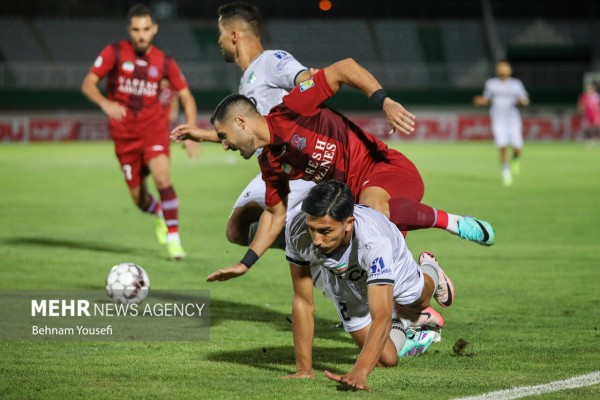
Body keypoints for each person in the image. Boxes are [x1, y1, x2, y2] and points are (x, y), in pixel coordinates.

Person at [197, 57, 495, 282]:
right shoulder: (271, 162)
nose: (224, 145)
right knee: (376, 268)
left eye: (223, 136)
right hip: (362, 201)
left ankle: (452, 222)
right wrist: (245, 263)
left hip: (385, 170)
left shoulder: (293, 108)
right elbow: (275, 215)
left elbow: (344, 68)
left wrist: (385, 101)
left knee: (367, 219)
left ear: (240, 122)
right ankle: (427, 284)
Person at [170, 1, 315, 249]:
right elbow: (245, 133)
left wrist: (308, 88)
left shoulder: (271, 61)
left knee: (255, 225)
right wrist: (202, 135)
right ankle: (306, 245)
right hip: (272, 167)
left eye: (221, 34)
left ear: (234, 35)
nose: (219, 41)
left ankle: (320, 246)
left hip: (296, 165)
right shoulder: (248, 78)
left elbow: (306, 79)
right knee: (237, 229)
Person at [284, 180, 453, 391]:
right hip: (342, 281)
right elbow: (302, 299)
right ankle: (403, 325)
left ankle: (430, 269)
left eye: (325, 231)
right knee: (386, 361)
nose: (316, 240)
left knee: (419, 300)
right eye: (312, 229)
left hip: (392, 263)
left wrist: (360, 371)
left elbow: (380, 315)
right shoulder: (296, 229)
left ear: (348, 223)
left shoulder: (375, 241)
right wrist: (304, 370)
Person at [81, 4, 198, 260]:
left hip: (153, 130)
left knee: (162, 177)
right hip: (124, 137)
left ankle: (174, 238)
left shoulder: (165, 61)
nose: (141, 35)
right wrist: (105, 103)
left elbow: (186, 96)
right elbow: (88, 83)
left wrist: (191, 129)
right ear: (129, 30)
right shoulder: (114, 52)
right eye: (136, 30)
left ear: (154, 29)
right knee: (139, 198)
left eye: (146, 29)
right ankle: (157, 212)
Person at [474, 61, 529, 186]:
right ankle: (506, 172)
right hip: (498, 119)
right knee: (502, 146)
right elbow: (486, 99)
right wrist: (480, 101)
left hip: (513, 120)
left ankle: (515, 160)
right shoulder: (491, 84)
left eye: (505, 68)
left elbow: (524, 99)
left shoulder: (516, 84)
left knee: (517, 148)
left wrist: (522, 102)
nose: (502, 70)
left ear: (509, 70)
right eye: (500, 68)